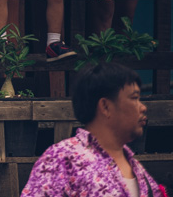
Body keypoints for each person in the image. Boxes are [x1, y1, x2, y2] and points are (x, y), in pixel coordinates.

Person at [21, 62, 161, 197]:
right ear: (105, 106)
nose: (143, 107)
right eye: (134, 98)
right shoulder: (62, 159)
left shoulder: (137, 168)